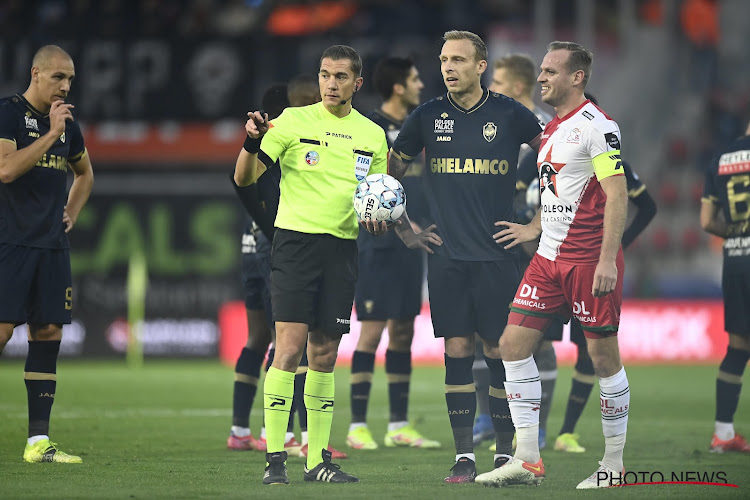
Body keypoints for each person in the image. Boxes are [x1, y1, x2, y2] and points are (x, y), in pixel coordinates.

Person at [233, 44, 438, 485]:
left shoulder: (370, 134)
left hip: (343, 250)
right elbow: (244, 177)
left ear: (356, 83)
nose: (330, 83)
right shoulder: (291, 122)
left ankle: (317, 461)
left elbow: (380, 197)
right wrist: (251, 141)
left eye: (341, 76)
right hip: (294, 245)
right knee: (288, 349)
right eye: (325, 74)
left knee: (324, 354)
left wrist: (404, 232)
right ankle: (274, 461)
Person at [388, 30, 543, 483]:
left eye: (458, 59)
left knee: (498, 350)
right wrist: (405, 230)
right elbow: (387, 178)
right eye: (443, 60)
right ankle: (463, 456)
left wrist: (535, 226)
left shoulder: (511, 114)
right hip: (447, 256)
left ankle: (501, 453)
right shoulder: (426, 116)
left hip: (498, 256)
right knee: (456, 349)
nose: (448, 67)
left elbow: (556, 162)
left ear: (480, 66)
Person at [474, 41, 630, 489]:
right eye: (540, 70)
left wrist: (606, 260)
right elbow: (555, 187)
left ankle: (614, 466)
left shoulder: (598, 127)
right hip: (547, 259)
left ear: (576, 77)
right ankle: (527, 459)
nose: (541, 77)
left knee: (603, 359)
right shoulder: (553, 130)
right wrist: (534, 226)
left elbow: (616, 195)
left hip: (587, 261)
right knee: (512, 345)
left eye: (550, 71)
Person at [0, 45, 94, 463]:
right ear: (36, 72)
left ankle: (38, 441)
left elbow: (85, 173)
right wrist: (51, 134)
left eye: (70, 79)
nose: (66, 86)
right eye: (58, 77)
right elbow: (5, 170)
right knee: (2, 332)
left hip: (52, 246)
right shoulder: (7, 113)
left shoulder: (68, 125)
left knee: (48, 332)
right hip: (10, 242)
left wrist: (70, 213)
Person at [346, 56, 440, 451]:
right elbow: (363, 187)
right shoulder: (369, 128)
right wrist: (404, 224)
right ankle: (357, 425)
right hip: (377, 243)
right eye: (416, 78)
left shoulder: (417, 128)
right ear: (399, 87)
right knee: (371, 332)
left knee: (403, 331)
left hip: (412, 244)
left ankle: (399, 425)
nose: (421, 84)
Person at [472, 53, 554, 448]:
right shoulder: (488, 126)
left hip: (541, 247)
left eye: (499, 83)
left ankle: (537, 426)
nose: (491, 90)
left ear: (519, 88)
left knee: (542, 337)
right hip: (495, 243)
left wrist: (536, 229)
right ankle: (487, 416)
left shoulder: (548, 132)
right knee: (484, 331)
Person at [700, 119, 750, 454]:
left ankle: (723, 433)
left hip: (735, 260)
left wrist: (738, 235)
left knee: (738, 347)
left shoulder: (720, 158)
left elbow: (706, 221)